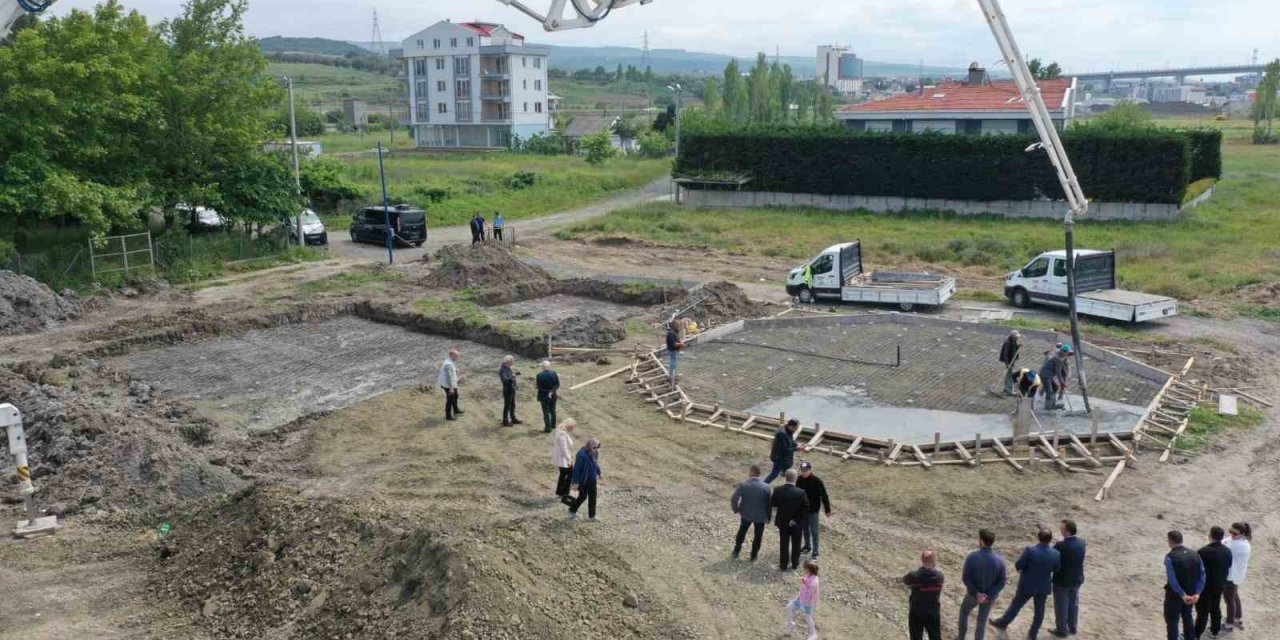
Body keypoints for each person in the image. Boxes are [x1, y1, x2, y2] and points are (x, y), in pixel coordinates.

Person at [991, 529, 1061, 639]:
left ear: (1038, 537)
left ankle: (1003, 623)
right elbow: (1056, 569)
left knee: (1016, 605)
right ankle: (1033, 633)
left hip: (1027, 584)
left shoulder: (1030, 550)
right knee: (1039, 611)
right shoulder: (1056, 554)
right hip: (1043, 586)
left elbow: (1019, 565)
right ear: (1050, 539)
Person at [958, 529, 1007, 640]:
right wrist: (988, 596)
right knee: (982, 622)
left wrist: (977, 594)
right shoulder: (1000, 561)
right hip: (989, 598)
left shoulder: (972, 557)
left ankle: (961, 638)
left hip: (972, 595)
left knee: (964, 613)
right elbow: (1002, 582)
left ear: (981, 541)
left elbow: (966, 577)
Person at [1163, 529, 1205, 640]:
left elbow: (1172, 580)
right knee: (1187, 617)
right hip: (1191, 594)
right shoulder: (1195, 555)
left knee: (1172, 622)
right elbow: (1202, 575)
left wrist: (1182, 595)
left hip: (1175, 596)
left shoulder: (1170, 557)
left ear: (1170, 541)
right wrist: (1197, 592)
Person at [1195, 526, 1233, 639]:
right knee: (1215, 607)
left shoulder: (1203, 551)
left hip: (1206, 587)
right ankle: (1215, 631)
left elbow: (1199, 570)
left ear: (1210, 536)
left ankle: (1196, 634)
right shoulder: (1227, 551)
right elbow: (1229, 565)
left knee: (1202, 611)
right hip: (1220, 584)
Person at [1050, 519, 1087, 638]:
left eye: (1062, 529)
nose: (1061, 531)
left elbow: (1053, 558)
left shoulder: (1061, 546)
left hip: (1062, 581)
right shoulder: (1082, 542)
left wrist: (1057, 544)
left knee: (1061, 605)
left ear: (1067, 531)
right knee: (1073, 603)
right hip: (1077, 579)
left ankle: (1061, 629)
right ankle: (1072, 626)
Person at [769, 469, 809, 572]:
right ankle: (795, 564)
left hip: (782, 522)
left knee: (784, 543)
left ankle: (783, 565)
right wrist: (795, 519)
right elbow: (805, 508)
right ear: (795, 478)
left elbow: (773, 504)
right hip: (797, 523)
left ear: (785, 477)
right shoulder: (801, 492)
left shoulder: (778, 490)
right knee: (796, 544)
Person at [730, 464, 772, 561]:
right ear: (759, 474)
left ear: (752, 472)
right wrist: (768, 517)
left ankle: (736, 551)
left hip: (746, 514)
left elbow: (734, 499)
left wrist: (736, 509)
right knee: (758, 535)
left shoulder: (744, 484)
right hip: (760, 517)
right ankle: (753, 555)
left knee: (742, 532)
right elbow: (769, 504)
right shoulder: (766, 487)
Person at [903, 549, 945, 640]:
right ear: (934, 560)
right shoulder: (940, 576)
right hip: (933, 611)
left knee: (916, 636)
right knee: (935, 636)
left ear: (922, 560)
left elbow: (905, 580)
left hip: (916, 610)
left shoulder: (913, 576)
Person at [795, 461, 832, 561]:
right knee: (805, 529)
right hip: (803, 510)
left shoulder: (817, 481)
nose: (803, 472)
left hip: (813, 511)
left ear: (810, 470)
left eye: (805, 471)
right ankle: (807, 546)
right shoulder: (799, 479)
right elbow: (796, 494)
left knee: (814, 531)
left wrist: (827, 510)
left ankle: (816, 551)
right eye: (802, 470)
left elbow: (824, 496)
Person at [1223, 522, 1252, 632]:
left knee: (1229, 599)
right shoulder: (1234, 540)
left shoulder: (1241, 546)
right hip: (1233, 574)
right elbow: (1225, 542)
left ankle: (1230, 623)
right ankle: (1238, 617)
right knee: (1234, 596)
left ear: (1242, 534)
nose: (1231, 534)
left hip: (1232, 575)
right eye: (1230, 531)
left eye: (1234, 533)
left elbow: (1224, 548)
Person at [784, 560, 821, 640]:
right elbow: (807, 583)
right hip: (800, 599)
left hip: (807, 603)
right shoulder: (809, 575)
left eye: (805, 568)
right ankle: (790, 624)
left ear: (809, 569)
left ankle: (813, 634)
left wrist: (804, 582)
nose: (804, 570)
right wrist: (804, 580)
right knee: (789, 607)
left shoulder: (815, 581)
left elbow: (810, 590)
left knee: (808, 617)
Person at [567, 438, 601, 521]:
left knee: (593, 497)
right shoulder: (581, 455)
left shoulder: (595, 453)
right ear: (589, 446)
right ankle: (572, 510)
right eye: (594, 447)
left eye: (597, 447)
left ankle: (591, 516)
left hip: (592, 479)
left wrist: (599, 472)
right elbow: (577, 469)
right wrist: (575, 481)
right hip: (584, 480)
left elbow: (595, 463)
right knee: (583, 496)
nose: (596, 449)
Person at [764, 419, 800, 484]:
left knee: (785, 473)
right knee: (774, 474)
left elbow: (790, 441)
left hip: (784, 458)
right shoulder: (782, 434)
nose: (796, 430)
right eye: (795, 428)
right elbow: (785, 449)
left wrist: (797, 445)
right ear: (791, 426)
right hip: (779, 458)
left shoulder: (788, 431)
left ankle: (785, 477)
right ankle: (763, 485)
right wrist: (797, 449)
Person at [552, 419, 576, 504]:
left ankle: (561, 493)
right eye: (572, 427)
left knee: (564, 475)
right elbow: (564, 449)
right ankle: (563, 493)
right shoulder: (562, 434)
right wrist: (569, 459)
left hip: (563, 458)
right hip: (563, 459)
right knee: (568, 474)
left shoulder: (563, 432)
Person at [1039, 347, 1067, 411]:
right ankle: (1047, 407)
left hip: (1048, 375)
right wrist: (1062, 383)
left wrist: (1062, 382)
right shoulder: (1058, 359)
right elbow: (1058, 372)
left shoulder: (1059, 357)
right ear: (1063, 352)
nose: (1066, 355)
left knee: (1055, 387)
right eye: (1066, 353)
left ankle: (1053, 405)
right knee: (1049, 391)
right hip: (1045, 375)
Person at [437, 349, 463, 420]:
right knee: (450, 400)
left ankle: (456, 410)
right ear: (451, 356)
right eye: (456, 356)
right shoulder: (448, 364)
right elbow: (448, 377)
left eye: (458, 356)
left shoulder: (449, 361)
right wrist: (451, 388)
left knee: (455, 396)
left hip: (451, 384)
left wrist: (455, 370)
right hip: (449, 385)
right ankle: (448, 416)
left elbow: (449, 371)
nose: (458, 358)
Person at [536, 360, 560, 433]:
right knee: (553, 410)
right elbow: (557, 385)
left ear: (543, 367)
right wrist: (551, 391)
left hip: (544, 396)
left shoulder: (539, 375)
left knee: (546, 412)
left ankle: (547, 428)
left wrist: (547, 392)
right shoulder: (554, 373)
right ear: (549, 366)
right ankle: (553, 425)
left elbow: (539, 387)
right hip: (553, 395)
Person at [498, 355, 522, 427]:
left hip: (512, 388)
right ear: (508, 362)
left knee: (512, 405)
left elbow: (511, 375)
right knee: (507, 405)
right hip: (507, 390)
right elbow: (505, 380)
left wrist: (516, 373)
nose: (513, 363)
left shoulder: (509, 368)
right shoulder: (502, 370)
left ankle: (513, 418)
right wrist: (512, 377)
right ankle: (505, 421)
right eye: (512, 361)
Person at [999, 330, 1022, 395]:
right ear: (1012, 336)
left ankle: (1006, 389)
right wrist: (1007, 364)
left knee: (1008, 375)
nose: (1017, 338)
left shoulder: (1013, 341)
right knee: (1010, 376)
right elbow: (1005, 354)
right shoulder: (1008, 342)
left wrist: (1018, 346)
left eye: (1017, 337)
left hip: (1012, 360)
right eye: (1016, 337)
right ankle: (1009, 391)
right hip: (1009, 362)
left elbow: (1014, 348)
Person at [665, 321, 684, 386]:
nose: (679, 327)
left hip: (674, 351)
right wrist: (681, 344)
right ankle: (671, 378)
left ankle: (672, 377)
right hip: (672, 351)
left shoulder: (674, 332)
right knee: (673, 364)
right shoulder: (671, 333)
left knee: (673, 364)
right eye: (678, 325)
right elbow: (674, 344)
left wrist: (680, 342)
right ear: (674, 326)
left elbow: (677, 340)